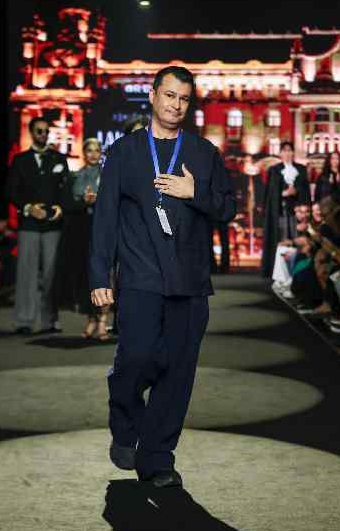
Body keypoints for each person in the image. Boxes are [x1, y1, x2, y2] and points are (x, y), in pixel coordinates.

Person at [90, 66, 236, 488]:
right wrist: (100, 274)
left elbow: (227, 209)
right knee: (135, 359)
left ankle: (156, 458)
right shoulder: (124, 152)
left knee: (178, 375)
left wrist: (196, 195)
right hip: (140, 277)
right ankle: (124, 421)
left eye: (184, 99)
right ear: (152, 97)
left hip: (190, 280)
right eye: (169, 95)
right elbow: (105, 220)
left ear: (190, 103)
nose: (175, 105)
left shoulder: (204, 153)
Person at [5, 116, 69, 335]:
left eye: (45, 131)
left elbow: (65, 189)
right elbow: (12, 191)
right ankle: (24, 321)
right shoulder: (20, 160)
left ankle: (50, 320)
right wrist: (28, 207)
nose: (43, 134)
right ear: (32, 133)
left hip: (53, 224)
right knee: (27, 273)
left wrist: (61, 206)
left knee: (52, 274)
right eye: (39, 131)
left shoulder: (59, 158)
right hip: (29, 223)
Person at [59, 138, 113, 339]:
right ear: (84, 152)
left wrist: (101, 200)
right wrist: (83, 201)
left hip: (105, 230)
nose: (93, 154)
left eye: (96, 150)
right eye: (89, 150)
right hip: (83, 231)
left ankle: (102, 322)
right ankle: (90, 319)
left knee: (104, 276)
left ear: (101, 153)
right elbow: (67, 205)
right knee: (86, 278)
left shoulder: (108, 175)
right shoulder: (76, 176)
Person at [261, 141, 310, 279]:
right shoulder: (274, 170)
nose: (287, 153)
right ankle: (279, 270)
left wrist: (296, 191)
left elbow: (306, 191)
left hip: (297, 212)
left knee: (296, 239)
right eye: (285, 150)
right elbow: (270, 193)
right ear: (280, 153)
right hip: (280, 211)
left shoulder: (301, 169)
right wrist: (283, 193)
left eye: (290, 150)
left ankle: (297, 271)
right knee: (281, 239)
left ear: (293, 153)